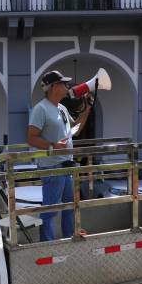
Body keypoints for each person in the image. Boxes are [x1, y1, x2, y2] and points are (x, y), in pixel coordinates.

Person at [27, 70, 92, 242]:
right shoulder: (40, 109)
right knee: (50, 211)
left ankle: (69, 237)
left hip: (65, 165)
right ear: (54, 87)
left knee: (70, 207)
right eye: (64, 83)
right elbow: (31, 138)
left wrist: (87, 108)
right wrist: (52, 146)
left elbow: (75, 130)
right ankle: (47, 244)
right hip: (52, 167)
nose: (67, 86)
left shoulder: (61, 108)